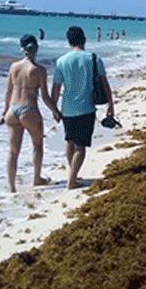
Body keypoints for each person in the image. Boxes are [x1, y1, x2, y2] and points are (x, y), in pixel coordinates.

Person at [51, 26, 115, 190]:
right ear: (84, 40)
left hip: (67, 109)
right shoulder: (93, 58)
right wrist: (111, 105)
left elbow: (56, 89)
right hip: (86, 108)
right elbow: (105, 85)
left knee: (69, 140)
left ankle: (73, 174)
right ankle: (72, 180)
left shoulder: (61, 61)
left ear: (68, 41)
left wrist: (54, 109)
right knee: (81, 146)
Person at [0, 34, 62, 193]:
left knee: (13, 151)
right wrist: (55, 111)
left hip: (12, 111)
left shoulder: (14, 67)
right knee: (37, 145)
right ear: (36, 49)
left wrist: (3, 112)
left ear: (22, 49)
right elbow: (45, 97)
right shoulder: (39, 70)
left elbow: (8, 92)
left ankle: (11, 187)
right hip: (29, 110)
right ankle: (36, 179)